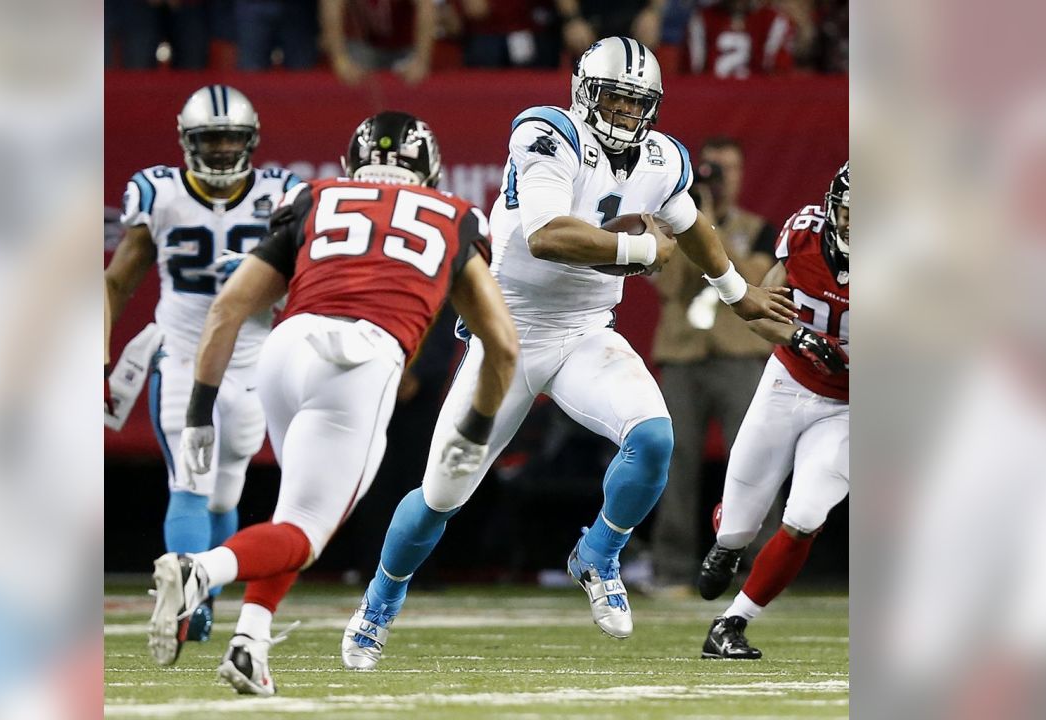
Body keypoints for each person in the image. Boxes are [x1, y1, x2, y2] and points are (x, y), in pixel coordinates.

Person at [342, 36, 797, 671]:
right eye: (612, 99)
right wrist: (639, 252)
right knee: (442, 493)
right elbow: (548, 235)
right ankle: (380, 601)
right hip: (508, 334)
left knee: (656, 439)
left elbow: (692, 225)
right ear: (584, 93)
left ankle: (599, 553)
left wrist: (739, 294)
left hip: (586, 327)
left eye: (636, 104)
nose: (623, 115)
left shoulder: (661, 157)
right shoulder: (547, 133)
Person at [144, 111, 519, 696]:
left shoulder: (313, 195)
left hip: (284, 348)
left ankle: (250, 645)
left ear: (351, 166)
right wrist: (475, 429)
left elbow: (228, 308)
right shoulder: (456, 216)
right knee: (306, 531)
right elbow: (502, 346)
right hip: (358, 359)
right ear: (432, 170)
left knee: (292, 511)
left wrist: (199, 410)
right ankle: (201, 570)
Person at [105, 85, 300, 643]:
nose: (219, 151)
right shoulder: (159, 193)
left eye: (229, 139)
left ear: (251, 140)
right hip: (183, 355)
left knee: (225, 491)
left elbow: (302, 277)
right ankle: (185, 609)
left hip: (253, 360)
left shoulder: (283, 192)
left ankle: (203, 598)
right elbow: (118, 280)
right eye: (209, 140)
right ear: (187, 141)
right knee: (188, 480)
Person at [697, 162, 849, 659]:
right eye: (851, 213)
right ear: (833, 208)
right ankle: (728, 539)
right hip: (787, 381)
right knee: (739, 524)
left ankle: (732, 623)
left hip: (849, 407)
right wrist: (798, 336)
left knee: (805, 514)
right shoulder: (803, 234)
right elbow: (756, 311)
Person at [649, 137, 778, 593]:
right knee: (673, 462)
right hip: (683, 355)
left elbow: (755, 280)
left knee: (754, 461)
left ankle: (758, 571)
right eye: (711, 169)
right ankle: (671, 570)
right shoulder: (671, 223)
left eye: (727, 170)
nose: (718, 180)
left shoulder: (760, 229)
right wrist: (688, 221)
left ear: (741, 176)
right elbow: (667, 286)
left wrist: (706, 231)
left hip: (740, 355)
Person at [321, 0, 437, 85]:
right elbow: (331, 10)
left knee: (412, 82)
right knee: (353, 79)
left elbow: (426, 9)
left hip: (404, 46)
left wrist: (421, 60)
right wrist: (340, 59)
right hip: (363, 45)